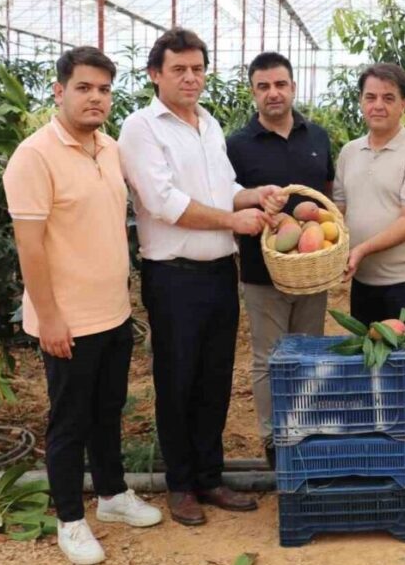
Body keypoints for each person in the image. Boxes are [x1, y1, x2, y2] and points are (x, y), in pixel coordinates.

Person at [118, 29, 286, 526]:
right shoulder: (142, 128)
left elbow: (221, 186)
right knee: (177, 380)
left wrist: (254, 195)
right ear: (156, 75)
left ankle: (210, 478)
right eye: (179, 70)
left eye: (197, 69)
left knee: (214, 379)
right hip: (173, 277)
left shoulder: (208, 123)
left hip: (217, 271)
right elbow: (163, 202)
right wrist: (235, 221)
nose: (191, 78)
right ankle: (181, 484)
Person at [4, 47, 162, 565]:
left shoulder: (109, 149)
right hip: (67, 319)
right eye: (84, 87)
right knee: (69, 421)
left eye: (103, 89)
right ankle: (69, 518)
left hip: (113, 312)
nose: (95, 97)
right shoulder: (34, 156)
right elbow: (29, 245)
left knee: (108, 410)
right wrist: (49, 317)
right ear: (59, 91)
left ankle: (113, 496)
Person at [226, 52, 333, 469]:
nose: (273, 93)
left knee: (309, 353)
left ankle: (305, 429)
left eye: (280, 84)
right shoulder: (236, 145)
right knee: (269, 357)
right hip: (261, 271)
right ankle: (275, 441)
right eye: (263, 86)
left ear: (292, 87)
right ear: (253, 92)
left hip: (312, 271)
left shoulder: (318, 137)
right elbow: (228, 198)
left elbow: (326, 193)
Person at [333, 63, 405, 336]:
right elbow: (339, 209)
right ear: (361, 101)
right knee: (367, 362)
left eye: (388, 98)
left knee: (403, 365)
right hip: (364, 279)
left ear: (404, 104)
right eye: (370, 97)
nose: (378, 105)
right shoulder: (349, 152)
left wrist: (362, 249)